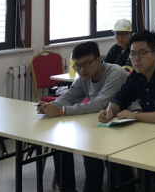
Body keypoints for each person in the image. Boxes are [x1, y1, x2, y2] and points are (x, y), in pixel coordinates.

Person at [37, 42, 132, 191]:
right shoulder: (83, 78)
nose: (82, 70)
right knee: (60, 145)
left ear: (99, 59)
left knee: (91, 150)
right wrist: (50, 106)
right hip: (101, 124)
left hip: (125, 124)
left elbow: (100, 104)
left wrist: (62, 111)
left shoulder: (115, 72)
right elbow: (68, 97)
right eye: (77, 66)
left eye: (86, 64)